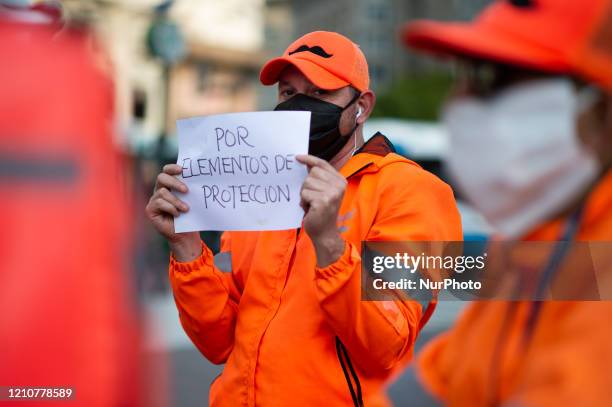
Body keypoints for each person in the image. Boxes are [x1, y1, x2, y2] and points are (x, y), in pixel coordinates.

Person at [146, 31, 462, 406]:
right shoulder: (257, 192)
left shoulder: (414, 192)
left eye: (319, 94)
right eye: (288, 94)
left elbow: (386, 346)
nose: (299, 107)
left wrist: (329, 242)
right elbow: (219, 342)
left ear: (361, 105)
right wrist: (187, 249)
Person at [402, 0, 612, 405]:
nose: (460, 102)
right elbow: (441, 384)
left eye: (499, 79)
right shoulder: (527, 244)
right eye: (467, 75)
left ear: (601, 113)